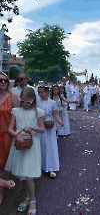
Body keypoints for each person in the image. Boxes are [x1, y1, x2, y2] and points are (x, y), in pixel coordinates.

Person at [5, 87, 45, 215]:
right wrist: (17, 135)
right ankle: (27, 197)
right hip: (19, 144)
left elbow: (42, 129)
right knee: (22, 174)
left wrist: (33, 128)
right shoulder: (16, 111)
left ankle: (32, 199)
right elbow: (10, 129)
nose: (25, 104)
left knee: (29, 175)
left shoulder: (38, 112)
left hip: (32, 145)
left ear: (33, 100)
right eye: (23, 101)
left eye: (28, 102)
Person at [0, 72, 19, 205]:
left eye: (5, 81)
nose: (3, 82)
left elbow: (19, 117)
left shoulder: (13, 97)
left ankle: (0, 192)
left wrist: (18, 135)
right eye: (0, 80)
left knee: (3, 166)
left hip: (7, 136)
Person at [37, 85, 64, 178]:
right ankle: (41, 166)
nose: (40, 94)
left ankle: (52, 167)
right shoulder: (37, 102)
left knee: (51, 145)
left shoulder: (52, 103)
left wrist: (60, 121)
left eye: (42, 92)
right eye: (39, 92)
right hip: (40, 125)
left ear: (47, 92)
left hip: (50, 126)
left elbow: (55, 114)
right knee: (42, 145)